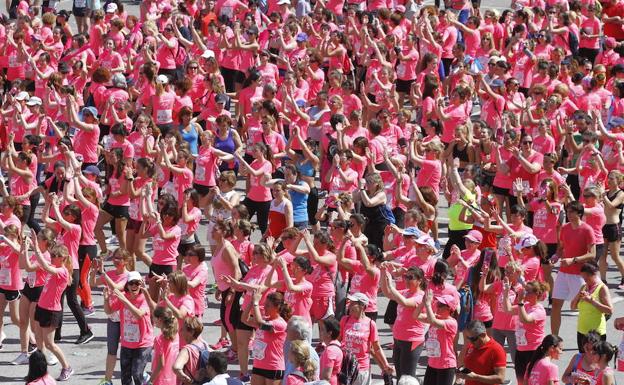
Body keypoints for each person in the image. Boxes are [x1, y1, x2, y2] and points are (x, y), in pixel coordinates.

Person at [551, 201, 596, 336]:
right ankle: (554, 339)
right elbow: (562, 248)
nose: (568, 214)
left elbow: (592, 254)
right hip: (563, 273)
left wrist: (574, 260)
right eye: (567, 211)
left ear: (579, 213)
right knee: (556, 305)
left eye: (572, 212)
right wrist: (556, 256)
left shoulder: (587, 229)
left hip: (580, 275)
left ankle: (590, 337)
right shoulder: (564, 228)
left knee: (584, 307)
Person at [103, 271, 154, 385]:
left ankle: (146, 379)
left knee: (136, 374)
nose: (134, 285)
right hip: (127, 342)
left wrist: (124, 300)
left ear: (141, 284)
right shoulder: (124, 297)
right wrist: (106, 299)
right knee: (125, 377)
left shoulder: (144, 297)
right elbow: (109, 311)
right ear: (127, 285)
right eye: (131, 283)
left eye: (137, 283)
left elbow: (139, 314)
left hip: (143, 344)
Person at [340, 292, 393, 385]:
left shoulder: (370, 324)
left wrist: (385, 364)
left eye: (353, 303)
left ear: (362, 306)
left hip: (362, 369)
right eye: (349, 302)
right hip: (345, 367)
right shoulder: (345, 320)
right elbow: (338, 341)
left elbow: (376, 348)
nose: (349, 305)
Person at [571, 262, 613, 351]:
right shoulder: (583, 287)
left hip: (596, 334)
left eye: (586, 278)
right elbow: (573, 307)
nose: (585, 281)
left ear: (594, 275)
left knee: (596, 362)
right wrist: (579, 296)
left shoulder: (602, 288)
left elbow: (609, 310)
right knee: (583, 361)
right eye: (583, 278)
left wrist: (591, 301)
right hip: (582, 331)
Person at [457, 320, 506, 385]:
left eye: (473, 339)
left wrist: (476, 377)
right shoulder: (471, 346)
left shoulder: (496, 349)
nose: (470, 342)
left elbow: (500, 379)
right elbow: (463, 364)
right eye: (468, 338)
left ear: (483, 335)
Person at [319, 316, 343, 385]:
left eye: (323, 329)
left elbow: (326, 377)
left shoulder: (330, 351)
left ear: (329, 333)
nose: (320, 332)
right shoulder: (337, 345)